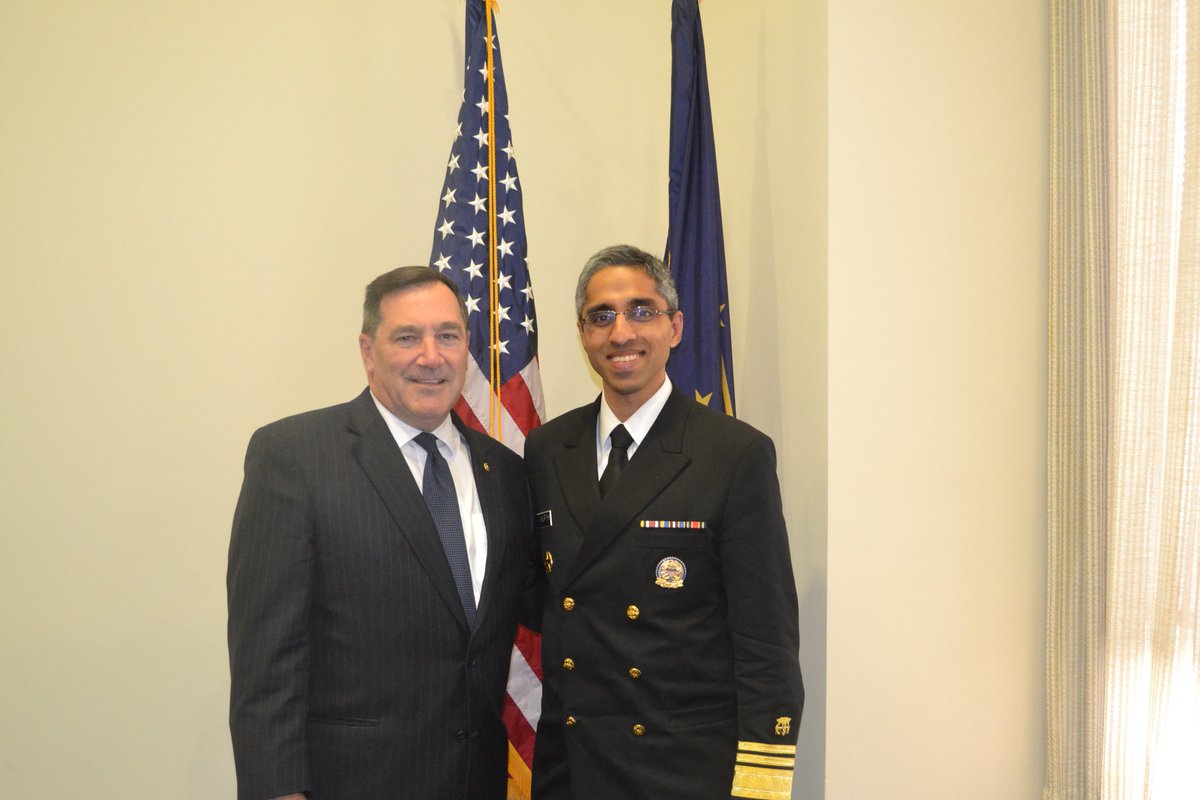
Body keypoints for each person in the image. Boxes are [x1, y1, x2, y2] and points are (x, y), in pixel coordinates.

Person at [227, 266, 539, 800]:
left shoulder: (506, 473)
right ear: (368, 352)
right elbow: (266, 661)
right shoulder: (296, 457)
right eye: (407, 337)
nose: (431, 357)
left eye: (448, 335)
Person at [525, 245, 804, 800]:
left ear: (674, 328)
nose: (621, 332)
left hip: (683, 771)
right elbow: (541, 602)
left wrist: (760, 784)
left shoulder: (733, 454)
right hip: (573, 767)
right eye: (601, 316)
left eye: (641, 311)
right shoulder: (548, 448)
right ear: (582, 334)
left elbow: (765, 640)